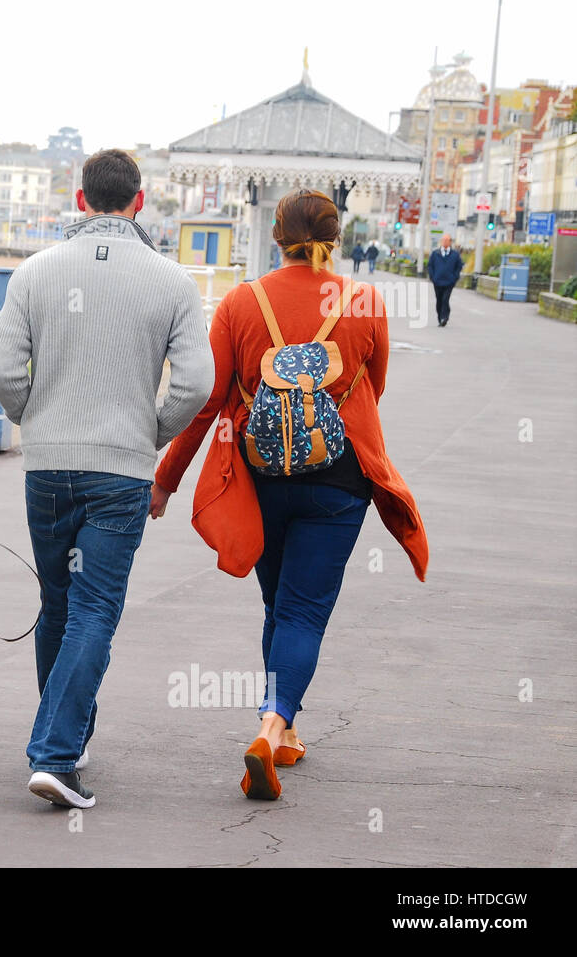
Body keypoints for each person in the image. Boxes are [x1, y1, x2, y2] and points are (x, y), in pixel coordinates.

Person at [150, 188, 428, 801]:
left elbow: (205, 404)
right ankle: (274, 727)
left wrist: (166, 481)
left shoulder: (242, 302)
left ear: (276, 236)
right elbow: (372, 388)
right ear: (337, 235)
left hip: (262, 478)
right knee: (304, 611)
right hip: (340, 480)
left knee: (278, 605)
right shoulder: (363, 300)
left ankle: (284, 724)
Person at [0, 149, 214, 809]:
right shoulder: (172, 282)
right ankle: (56, 752)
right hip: (120, 469)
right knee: (94, 607)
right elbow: (197, 382)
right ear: (139, 202)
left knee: (57, 600)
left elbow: (0, 371)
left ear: (81, 200)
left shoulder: (35, 273)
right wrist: (154, 431)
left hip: (49, 464)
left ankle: (66, 737)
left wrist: (35, 417)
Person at [427, 233, 464, 327]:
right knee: (439, 300)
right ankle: (440, 317)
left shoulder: (455, 255)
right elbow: (430, 266)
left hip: (449, 282)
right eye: (443, 240)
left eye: (447, 240)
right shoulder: (435, 254)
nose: (445, 242)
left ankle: (445, 317)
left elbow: (459, 266)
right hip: (437, 281)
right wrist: (433, 277)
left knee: (445, 299)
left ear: (450, 242)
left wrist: (454, 277)